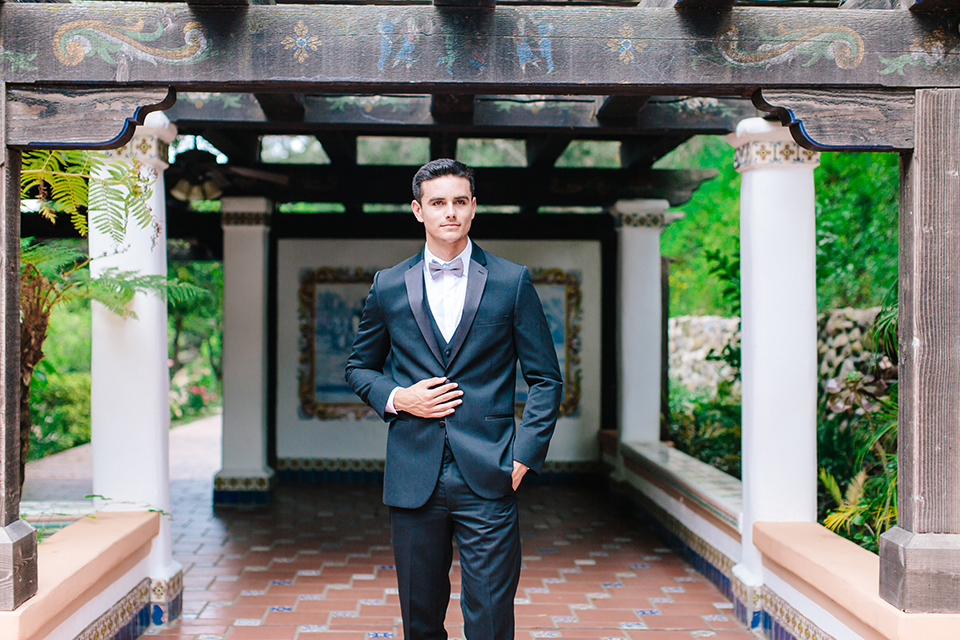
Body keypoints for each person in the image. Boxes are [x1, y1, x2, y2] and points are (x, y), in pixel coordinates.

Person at [345, 158, 562, 640]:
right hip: (413, 472)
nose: (450, 212)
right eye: (438, 203)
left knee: (489, 619)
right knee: (419, 621)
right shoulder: (388, 285)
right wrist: (400, 398)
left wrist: (524, 456)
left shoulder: (511, 281)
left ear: (473, 208)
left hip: (490, 471)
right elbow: (358, 368)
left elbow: (546, 379)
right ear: (418, 211)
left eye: (459, 202)